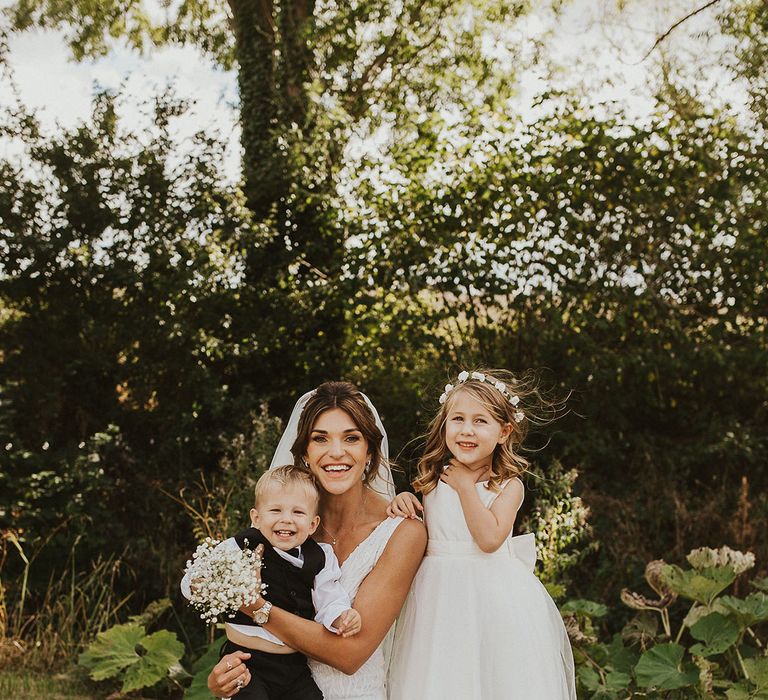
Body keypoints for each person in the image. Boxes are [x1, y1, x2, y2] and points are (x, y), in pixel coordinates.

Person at [205, 381, 427, 700]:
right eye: (320, 438)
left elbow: (350, 654)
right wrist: (226, 679)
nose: (335, 452)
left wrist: (258, 607)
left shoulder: (403, 531)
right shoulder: (282, 525)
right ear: (305, 453)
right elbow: (240, 628)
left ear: (369, 450)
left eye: (351, 438)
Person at [387, 369, 577, 700]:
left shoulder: (508, 486)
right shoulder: (434, 477)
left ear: (504, 431)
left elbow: (489, 540)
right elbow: (426, 528)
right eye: (457, 419)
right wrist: (404, 501)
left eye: (480, 421)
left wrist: (464, 487)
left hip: (492, 596)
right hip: (436, 597)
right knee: (440, 676)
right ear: (445, 425)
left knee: (495, 678)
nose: (466, 430)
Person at [181, 465, 362, 699]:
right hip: (247, 662)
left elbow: (329, 598)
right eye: (275, 510)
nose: (286, 520)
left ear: (312, 524)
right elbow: (192, 582)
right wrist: (201, 583)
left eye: (298, 513)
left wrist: (342, 617)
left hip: (294, 665)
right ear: (256, 517)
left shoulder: (319, 557)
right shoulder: (240, 546)